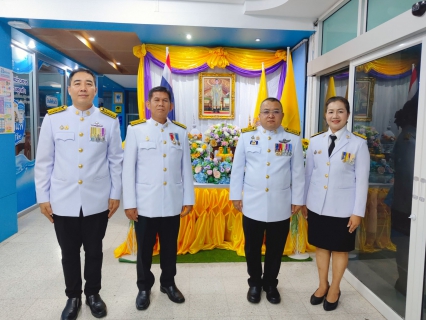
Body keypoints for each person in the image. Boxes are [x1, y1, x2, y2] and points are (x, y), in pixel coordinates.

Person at [35, 68, 123, 320]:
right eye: (77, 83)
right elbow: (44, 162)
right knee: (69, 252)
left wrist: (115, 193)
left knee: (95, 251)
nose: (83, 87)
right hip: (63, 200)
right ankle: (73, 296)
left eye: (88, 83)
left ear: (95, 89)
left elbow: (115, 160)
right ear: (69, 90)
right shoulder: (53, 119)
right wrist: (43, 197)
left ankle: (93, 294)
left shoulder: (108, 120)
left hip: (97, 200)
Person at [122, 86, 194, 311]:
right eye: (156, 100)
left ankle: (168, 283)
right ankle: (144, 287)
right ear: (148, 104)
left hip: (172, 202)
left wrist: (188, 198)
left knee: (170, 247)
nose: (161, 104)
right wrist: (130, 203)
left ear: (171, 106)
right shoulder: (136, 130)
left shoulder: (180, 132)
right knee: (144, 249)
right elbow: (128, 169)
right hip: (145, 204)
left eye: (165, 100)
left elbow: (186, 168)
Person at [230, 97, 305, 304]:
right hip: (252, 203)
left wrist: (298, 199)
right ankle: (254, 283)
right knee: (252, 248)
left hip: (281, 204)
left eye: (275, 111)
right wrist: (235, 195)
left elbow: (298, 173)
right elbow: (237, 169)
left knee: (275, 248)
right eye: (266, 111)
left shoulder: (293, 139)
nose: (270, 115)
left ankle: (271, 284)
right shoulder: (246, 138)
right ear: (259, 116)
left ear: (282, 115)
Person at [303, 96, 370, 311]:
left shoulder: (358, 144)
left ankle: (335, 289)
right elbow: (308, 174)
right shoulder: (315, 141)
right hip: (317, 206)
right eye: (331, 111)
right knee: (321, 247)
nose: (335, 115)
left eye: (340, 111)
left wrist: (357, 212)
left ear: (348, 115)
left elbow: (362, 181)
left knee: (340, 250)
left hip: (343, 209)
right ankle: (323, 285)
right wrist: (304, 202)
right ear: (325, 115)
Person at [390, 96, 418, 296]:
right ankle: (405, 282)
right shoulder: (411, 137)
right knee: (405, 244)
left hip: (406, 203)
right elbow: (408, 175)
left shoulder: (411, 135)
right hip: (408, 204)